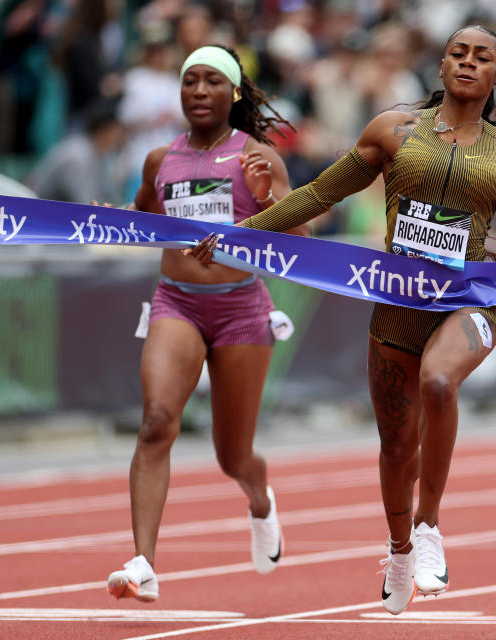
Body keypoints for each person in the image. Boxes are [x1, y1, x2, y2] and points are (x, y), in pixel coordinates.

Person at [188, 25, 496, 616]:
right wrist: (237, 233)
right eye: (459, 52)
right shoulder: (392, 131)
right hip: (397, 306)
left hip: (470, 299)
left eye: (483, 57)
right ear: (441, 66)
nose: (468, 62)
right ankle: (401, 549)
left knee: (438, 382)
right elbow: (318, 194)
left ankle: (429, 528)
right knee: (396, 446)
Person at [106, 44, 308, 602]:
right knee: (156, 423)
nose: (199, 91)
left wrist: (266, 200)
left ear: (233, 93)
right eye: (189, 81)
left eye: (212, 81)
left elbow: (301, 243)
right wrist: (106, 220)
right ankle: (144, 561)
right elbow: (144, 219)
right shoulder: (158, 160)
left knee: (232, 456)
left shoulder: (259, 155)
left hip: (243, 308)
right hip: (177, 302)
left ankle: (260, 499)